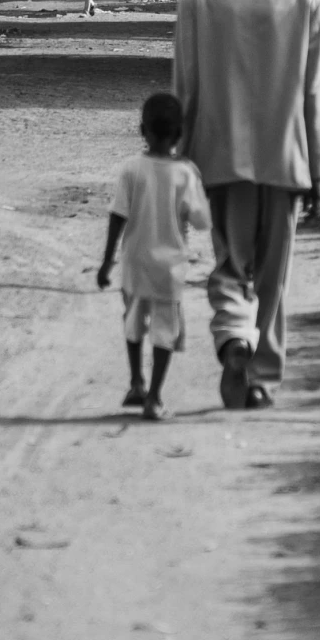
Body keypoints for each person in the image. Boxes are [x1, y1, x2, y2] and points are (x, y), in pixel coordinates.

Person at [173, 0, 320, 411]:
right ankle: (262, 377)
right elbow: (314, 96)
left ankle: (234, 338)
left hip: (217, 158)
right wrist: (319, 167)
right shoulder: (308, 3)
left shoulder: (198, 1)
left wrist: (178, 159)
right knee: (273, 277)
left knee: (229, 264)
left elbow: (186, 92)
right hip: (286, 160)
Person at [97, 90, 210, 420]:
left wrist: (107, 261)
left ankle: (135, 382)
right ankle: (155, 398)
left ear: (141, 131)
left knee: (133, 321)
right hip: (170, 267)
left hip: (134, 262)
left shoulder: (131, 169)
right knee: (165, 329)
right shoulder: (186, 173)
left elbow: (117, 214)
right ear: (179, 134)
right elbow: (202, 221)